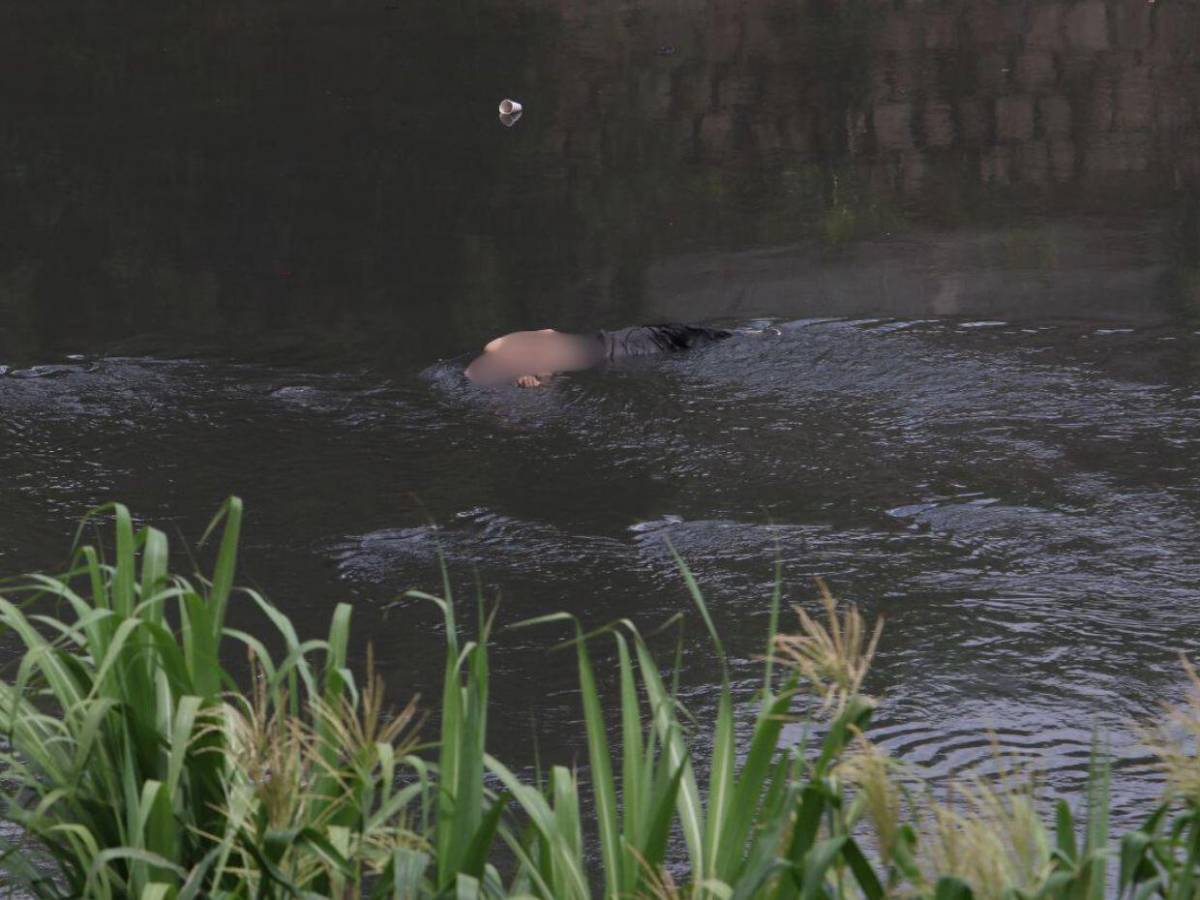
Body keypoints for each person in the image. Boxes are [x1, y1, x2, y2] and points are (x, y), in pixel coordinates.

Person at [464, 323, 735, 387]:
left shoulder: (538, 356)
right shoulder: (533, 344)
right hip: (634, 336)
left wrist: (535, 380)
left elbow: (546, 377)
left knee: (719, 343)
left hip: (637, 349)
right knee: (718, 338)